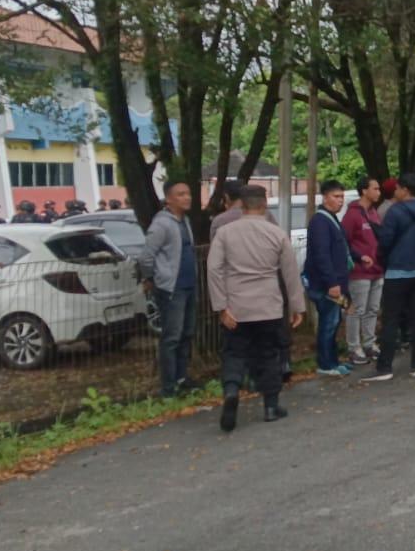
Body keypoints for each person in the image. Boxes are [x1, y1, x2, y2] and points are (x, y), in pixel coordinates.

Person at [208, 185, 306, 431]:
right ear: (263, 205)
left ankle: (231, 391)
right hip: (268, 306)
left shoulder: (225, 233)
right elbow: (290, 273)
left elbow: (213, 269)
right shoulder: (276, 233)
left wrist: (221, 306)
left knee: (233, 353)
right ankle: (271, 406)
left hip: (236, 307)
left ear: (241, 204)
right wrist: (297, 306)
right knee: (269, 354)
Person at [364, 173, 415, 381]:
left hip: (398, 271)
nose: (395, 192)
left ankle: (385, 367)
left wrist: (383, 259)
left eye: (397, 188)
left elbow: (385, 241)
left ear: (404, 189)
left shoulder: (395, 212)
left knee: (391, 319)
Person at [140, 181, 199, 396]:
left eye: (188, 193)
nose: (187, 197)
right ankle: (168, 386)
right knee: (172, 337)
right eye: (181, 194)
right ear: (169, 199)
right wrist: (151, 278)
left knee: (187, 333)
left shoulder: (185, 221)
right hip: (171, 288)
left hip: (189, 285)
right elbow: (146, 256)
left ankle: (182, 378)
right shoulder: (162, 224)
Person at [303, 181, 353, 379]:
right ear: (325, 197)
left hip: (336, 281)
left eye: (342, 197)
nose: (340, 201)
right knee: (328, 322)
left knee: (334, 321)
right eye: (336, 196)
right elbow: (321, 255)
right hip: (325, 284)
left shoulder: (331, 219)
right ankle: (325, 363)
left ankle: (333, 361)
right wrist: (332, 283)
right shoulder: (320, 221)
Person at [341, 176, 384, 370]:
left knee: (372, 308)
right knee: (357, 309)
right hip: (360, 271)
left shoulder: (374, 212)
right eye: (375, 188)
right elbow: (345, 242)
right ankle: (354, 346)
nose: (378, 192)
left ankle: (369, 342)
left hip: (377, 269)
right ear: (364, 190)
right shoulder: (352, 214)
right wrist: (359, 257)